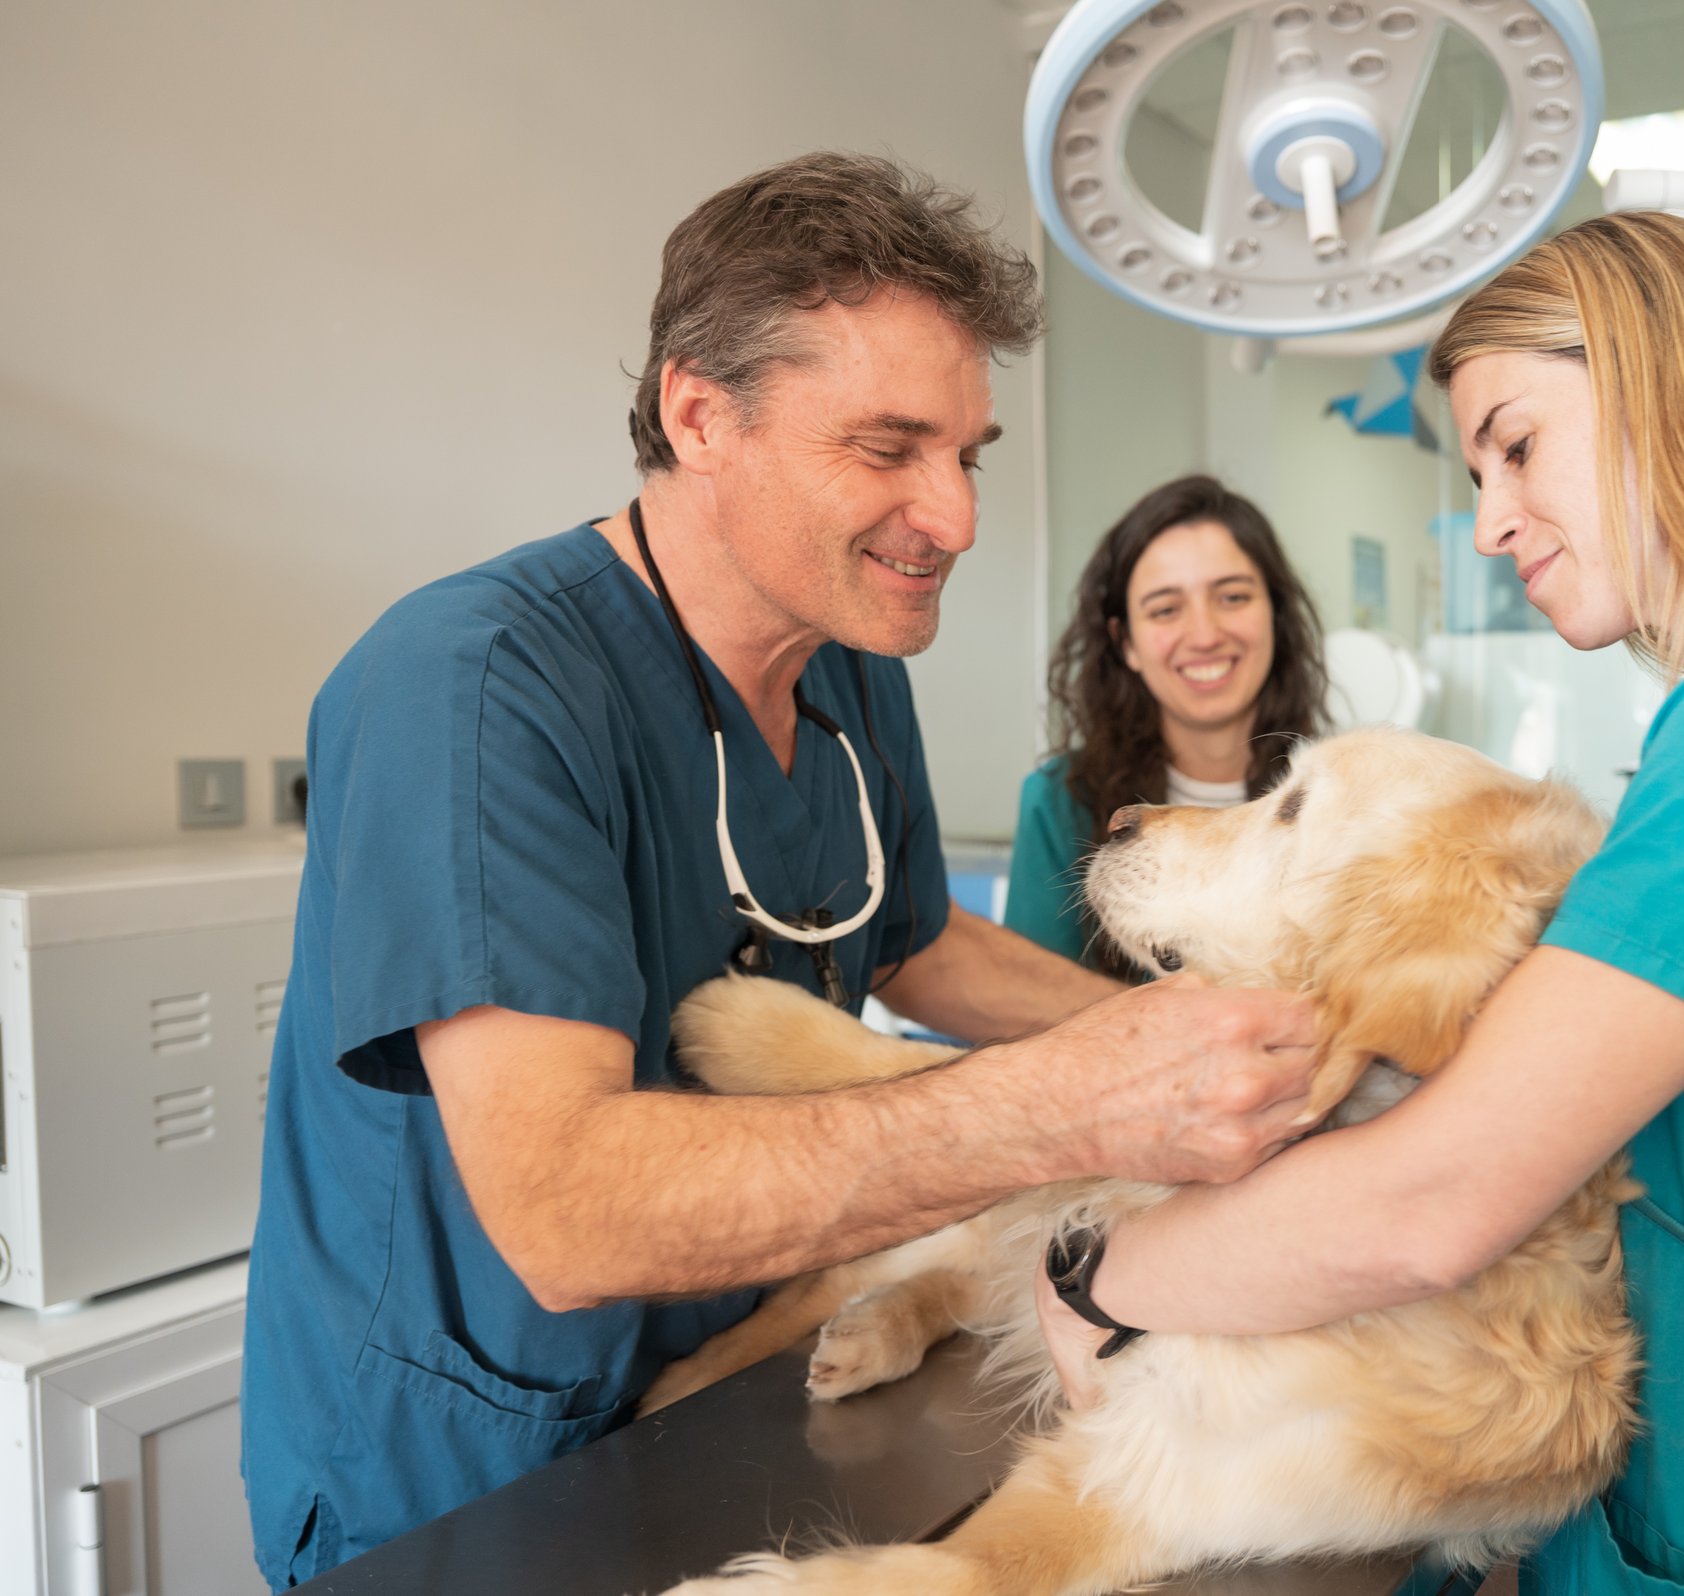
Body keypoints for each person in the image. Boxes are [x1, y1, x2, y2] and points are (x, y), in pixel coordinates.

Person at [240, 153, 1320, 1586]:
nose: (956, 518)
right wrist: (1080, 1103)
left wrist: (1241, 1054)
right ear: (701, 413)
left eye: (969, 454)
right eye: (888, 450)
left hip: (732, 1392)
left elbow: (919, 941)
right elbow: (568, 1208)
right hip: (468, 1470)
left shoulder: (847, 667)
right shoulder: (476, 687)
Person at [1037, 212, 1684, 1596]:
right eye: (1477, 471)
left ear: (1673, 384)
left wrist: (1097, 1273)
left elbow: (1440, 1197)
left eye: (1518, 445)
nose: (1495, 519)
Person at [1006, 474, 1327, 971]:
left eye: (1233, 597)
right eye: (1165, 609)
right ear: (1126, 642)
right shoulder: (1060, 803)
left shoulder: (1335, 801)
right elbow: (1031, 1002)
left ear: (1275, 617)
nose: (1203, 634)